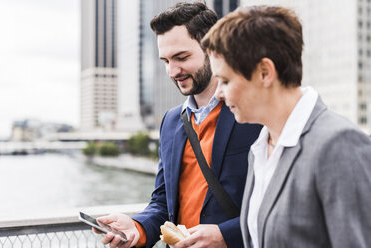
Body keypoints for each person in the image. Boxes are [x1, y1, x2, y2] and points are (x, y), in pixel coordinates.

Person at [93, 2, 262, 248]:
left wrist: (225, 235)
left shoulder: (255, 113)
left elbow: (280, 205)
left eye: (181, 57)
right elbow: (162, 203)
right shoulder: (171, 122)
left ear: (213, 50)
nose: (172, 71)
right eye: (165, 61)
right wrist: (137, 227)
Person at [202, 5, 371, 248]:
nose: (217, 93)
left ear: (264, 72)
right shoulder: (260, 147)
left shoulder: (339, 145)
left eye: (225, 80)